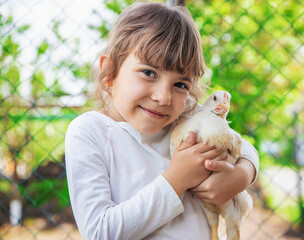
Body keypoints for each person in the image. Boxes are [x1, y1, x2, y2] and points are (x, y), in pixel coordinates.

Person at [65, 1, 259, 239]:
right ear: (110, 72)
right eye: (149, 73)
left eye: (180, 84)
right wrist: (176, 180)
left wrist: (243, 174)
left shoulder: (184, 115)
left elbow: (240, 144)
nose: (163, 97)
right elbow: (99, 232)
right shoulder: (90, 132)